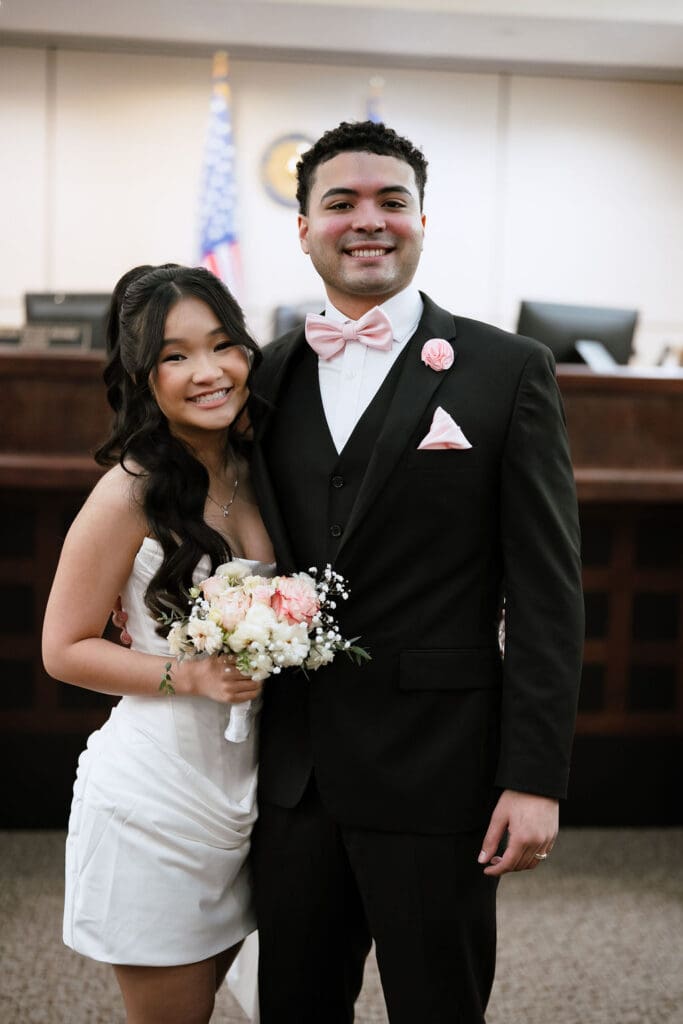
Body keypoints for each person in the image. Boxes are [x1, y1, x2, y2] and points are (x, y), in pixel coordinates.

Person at [247, 120, 585, 1023]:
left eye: (391, 201)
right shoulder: (264, 376)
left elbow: (548, 594)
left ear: (422, 221)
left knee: (438, 1007)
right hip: (293, 776)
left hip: (443, 774)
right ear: (304, 226)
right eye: (341, 202)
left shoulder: (506, 370)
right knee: (295, 1005)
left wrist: (536, 775)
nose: (369, 220)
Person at [42, 264, 274, 1024]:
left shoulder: (254, 467)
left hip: (250, 791)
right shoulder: (129, 489)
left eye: (221, 345)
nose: (208, 372)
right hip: (157, 800)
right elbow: (65, 647)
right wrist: (192, 675)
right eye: (175, 356)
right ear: (143, 375)